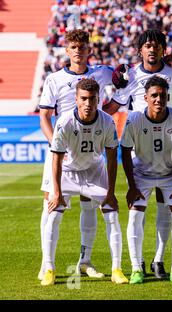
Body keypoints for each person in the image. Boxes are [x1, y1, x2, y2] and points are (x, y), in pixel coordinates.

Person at [103, 29, 172, 278]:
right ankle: (137, 265)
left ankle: (159, 261)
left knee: (166, 210)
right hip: (142, 148)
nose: (152, 49)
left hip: (169, 149)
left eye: (157, 45)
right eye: (147, 45)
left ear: (163, 49)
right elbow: (112, 108)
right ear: (140, 50)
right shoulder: (130, 75)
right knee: (138, 212)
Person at [38, 29, 114, 281]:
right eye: (73, 47)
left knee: (90, 207)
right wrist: (57, 145)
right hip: (62, 152)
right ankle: (46, 264)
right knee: (51, 207)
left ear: (89, 49)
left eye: (82, 46)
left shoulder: (102, 73)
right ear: (67, 50)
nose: (78, 51)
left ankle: (86, 261)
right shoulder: (55, 79)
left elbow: (128, 78)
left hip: (91, 155)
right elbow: (45, 117)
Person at [41, 78, 128, 286]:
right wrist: (57, 191)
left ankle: (116, 269)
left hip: (93, 169)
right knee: (53, 214)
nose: (88, 103)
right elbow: (56, 158)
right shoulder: (64, 122)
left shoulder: (107, 122)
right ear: (76, 99)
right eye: (84, 99)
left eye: (92, 99)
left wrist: (110, 192)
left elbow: (111, 158)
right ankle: (48, 268)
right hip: (67, 171)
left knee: (112, 213)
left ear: (99, 99)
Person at [120, 76, 172, 284]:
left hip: (170, 175)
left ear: (168, 97)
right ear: (146, 98)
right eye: (154, 96)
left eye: (162, 96)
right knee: (134, 216)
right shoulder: (135, 119)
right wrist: (132, 186)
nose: (158, 99)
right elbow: (125, 151)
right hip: (142, 175)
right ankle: (136, 267)